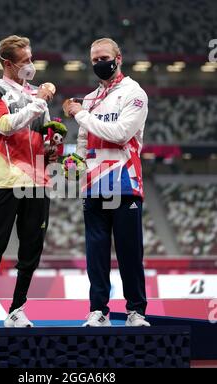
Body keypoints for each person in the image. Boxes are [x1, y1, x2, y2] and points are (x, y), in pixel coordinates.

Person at [0, 35, 63, 328]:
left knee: (31, 250)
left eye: (31, 59)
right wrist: (38, 102)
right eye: (25, 61)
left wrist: (53, 149)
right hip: (5, 181)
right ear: (8, 63)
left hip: (38, 182)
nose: (31, 65)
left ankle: (17, 310)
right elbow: (4, 126)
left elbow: (44, 133)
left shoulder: (37, 93)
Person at [65, 38, 150, 327]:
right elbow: (81, 141)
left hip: (125, 183)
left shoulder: (134, 93)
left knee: (129, 253)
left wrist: (81, 114)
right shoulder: (88, 100)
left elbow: (120, 133)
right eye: (94, 60)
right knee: (96, 255)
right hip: (93, 185)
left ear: (119, 58)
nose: (100, 63)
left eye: (104, 57)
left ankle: (136, 311)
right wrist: (74, 165)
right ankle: (98, 310)